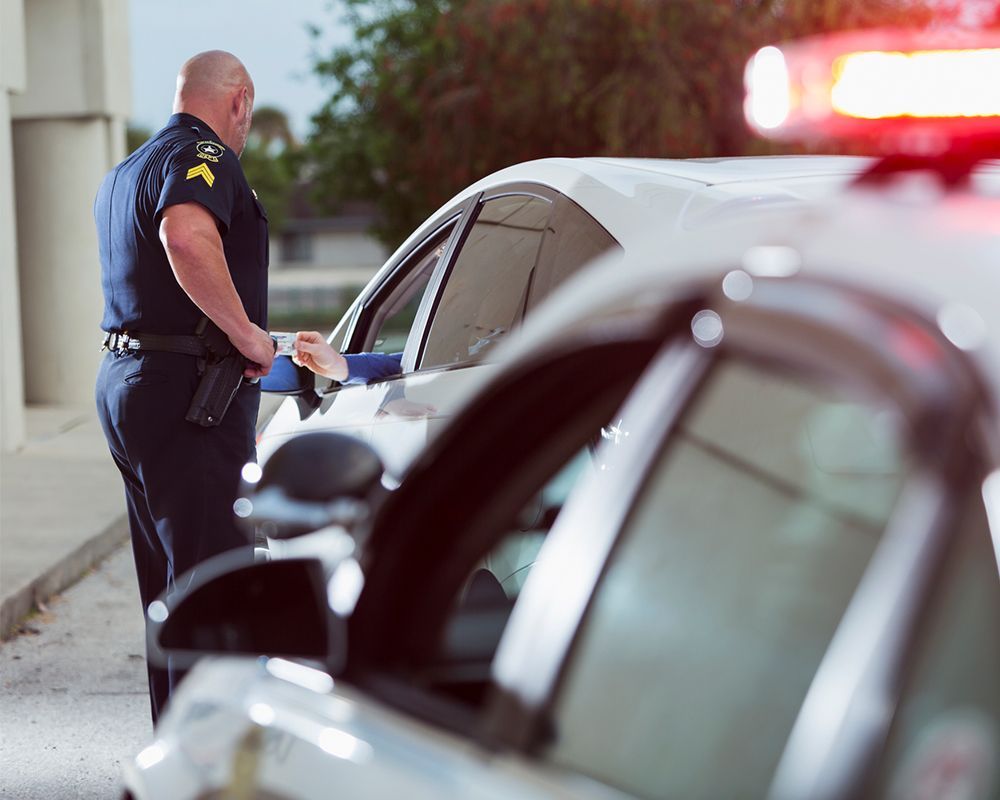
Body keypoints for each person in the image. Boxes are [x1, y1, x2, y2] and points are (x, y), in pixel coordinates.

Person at [93, 51, 274, 724]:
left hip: (130, 385)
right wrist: (251, 337)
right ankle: (210, 767)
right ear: (240, 101)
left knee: (169, 591)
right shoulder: (206, 155)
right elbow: (186, 235)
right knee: (212, 589)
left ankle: (176, 751)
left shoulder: (125, 170)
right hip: (187, 396)